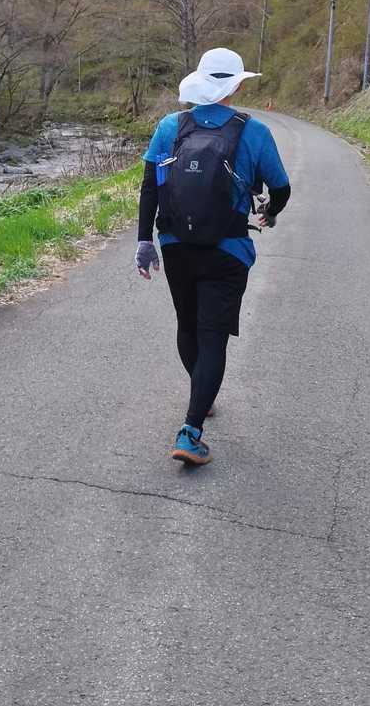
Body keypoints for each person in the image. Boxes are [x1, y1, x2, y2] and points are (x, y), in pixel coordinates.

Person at [135, 47, 290, 466]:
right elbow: (281, 187)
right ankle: (190, 431)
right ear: (236, 86)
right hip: (228, 249)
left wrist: (144, 241)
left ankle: (201, 396)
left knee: (188, 326)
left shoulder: (170, 126)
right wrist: (270, 211)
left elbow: (150, 187)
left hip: (175, 245)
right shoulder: (254, 131)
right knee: (213, 336)